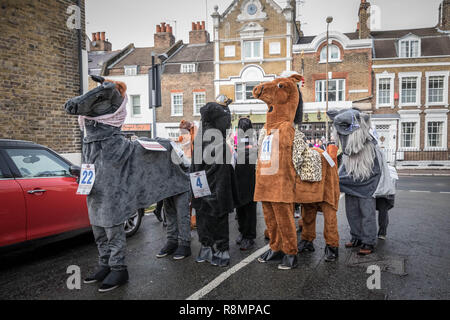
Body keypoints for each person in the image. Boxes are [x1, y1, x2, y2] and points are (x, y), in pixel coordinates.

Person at [191, 95, 239, 267]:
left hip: (201, 181)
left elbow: (196, 166)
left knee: (204, 213)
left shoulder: (201, 137)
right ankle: (220, 248)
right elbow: (222, 171)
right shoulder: (217, 140)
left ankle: (206, 246)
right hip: (216, 184)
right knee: (217, 215)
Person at [235, 117, 257, 251]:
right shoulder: (237, 138)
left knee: (249, 208)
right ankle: (243, 232)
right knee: (241, 208)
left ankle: (249, 236)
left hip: (250, 178)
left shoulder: (253, 140)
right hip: (239, 177)